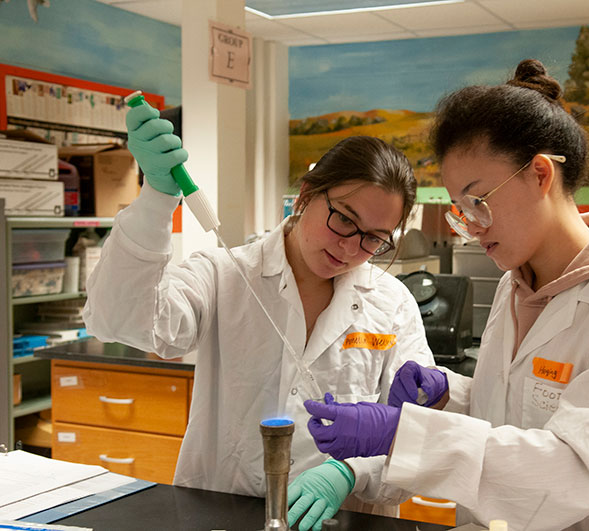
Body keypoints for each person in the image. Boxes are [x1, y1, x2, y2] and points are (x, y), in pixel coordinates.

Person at [302, 59, 589, 530]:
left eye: (478, 202)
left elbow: (572, 470)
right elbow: (521, 409)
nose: (470, 227)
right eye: (460, 209)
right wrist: (450, 395)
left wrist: (401, 434)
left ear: (539, 175)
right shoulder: (518, 285)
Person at [83, 101, 437, 531]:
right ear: (306, 195)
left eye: (374, 240)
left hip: (346, 521)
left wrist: (352, 473)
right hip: (222, 515)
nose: (350, 248)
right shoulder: (223, 275)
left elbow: (417, 435)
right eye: (344, 219)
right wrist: (157, 198)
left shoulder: (392, 303)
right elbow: (119, 321)